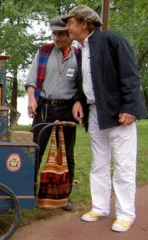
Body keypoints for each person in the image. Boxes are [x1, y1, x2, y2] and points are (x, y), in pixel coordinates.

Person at [63, 5, 147, 232]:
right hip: (94, 113)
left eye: (70, 22)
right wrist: (79, 100)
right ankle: (100, 207)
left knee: (124, 164)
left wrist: (129, 107)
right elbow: (85, 82)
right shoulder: (80, 50)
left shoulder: (112, 40)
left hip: (119, 113)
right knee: (99, 163)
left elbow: (131, 75)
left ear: (84, 22)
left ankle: (126, 213)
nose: (67, 27)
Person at [24, 15, 79, 211]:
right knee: (35, 150)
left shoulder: (79, 55)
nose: (55, 37)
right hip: (45, 107)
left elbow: (83, 86)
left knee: (67, 154)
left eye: (60, 34)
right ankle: (28, 192)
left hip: (68, 109)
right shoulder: (44, 51)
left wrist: (78, 102)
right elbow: (31, 80)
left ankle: (65, 196)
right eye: (53, 33)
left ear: (70, 34)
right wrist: (31, 99)